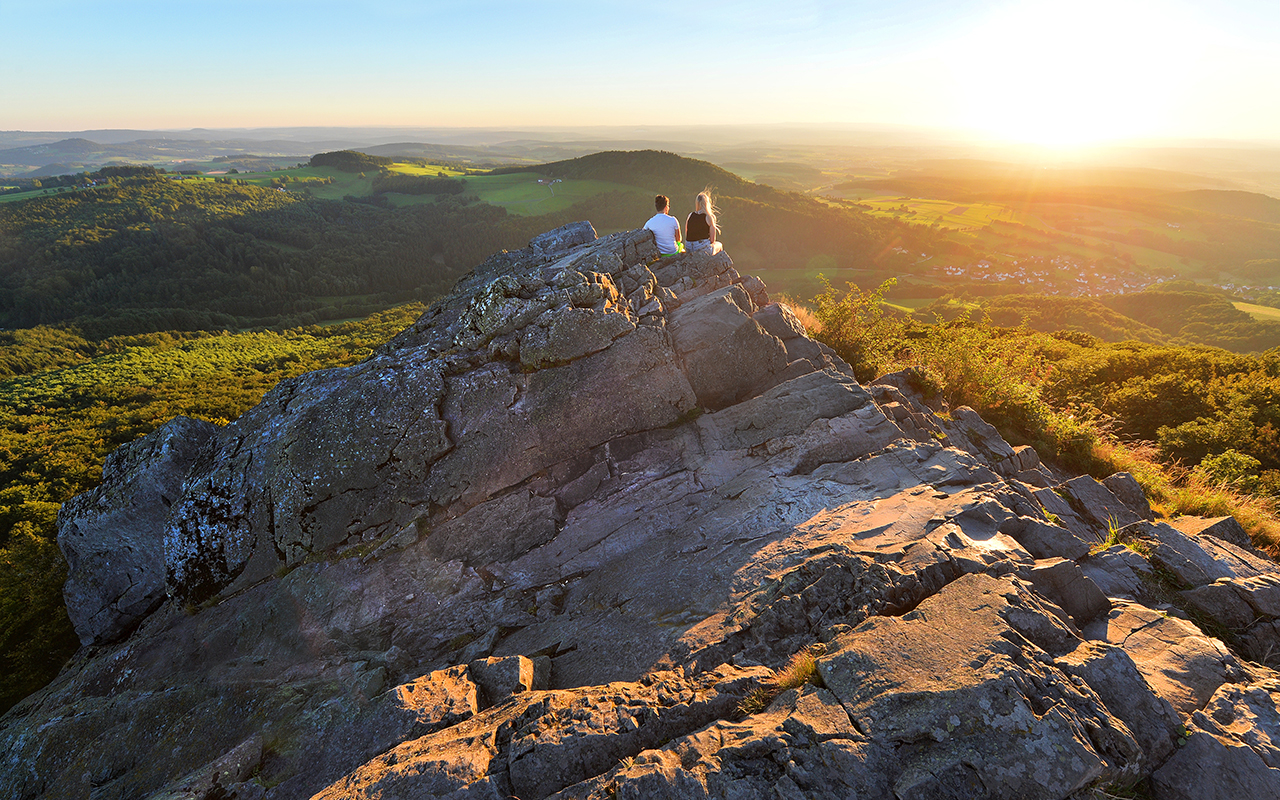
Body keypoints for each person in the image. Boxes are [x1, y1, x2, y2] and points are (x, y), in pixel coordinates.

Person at [685, 190, 722, 254]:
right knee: (719, 245)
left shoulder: (690, 215)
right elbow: (712, 240)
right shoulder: (710, 217)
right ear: (707, 203)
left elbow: (687, 233)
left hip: (689, 248)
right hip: (701, 249)